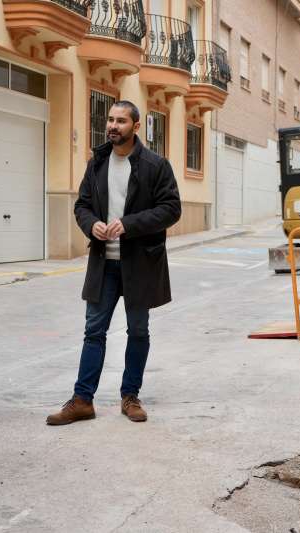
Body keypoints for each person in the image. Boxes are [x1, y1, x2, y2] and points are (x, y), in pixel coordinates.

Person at [46, 101, 181, 426]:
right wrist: (90, 223)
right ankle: (82, 400)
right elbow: (82, 204)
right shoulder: (98, 162)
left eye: (121, 121)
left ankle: (130, 396)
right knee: (94, 331)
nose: (113, 125)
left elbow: (171, 208)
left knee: (137, 331)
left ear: (136, 127)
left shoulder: (155, 165)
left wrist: (129, 224)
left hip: (139, 264)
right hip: (103, 263)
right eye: (110, 119)